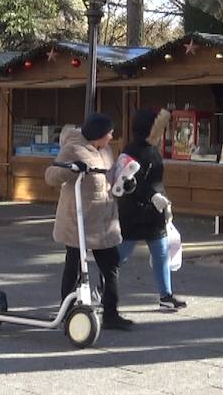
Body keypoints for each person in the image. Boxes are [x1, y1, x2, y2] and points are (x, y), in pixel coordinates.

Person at [46, 112, 134, 331]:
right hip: (79, 220)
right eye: (109, 133)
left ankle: (111, 314)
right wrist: (70, 169)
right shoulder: (74, 149)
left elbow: (111, 177)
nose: (112, 137)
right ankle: (67, 311)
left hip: (104, 219)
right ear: (98, 134)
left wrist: (126, 183)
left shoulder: (106, 151)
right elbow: (50, 175)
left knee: (111, 265)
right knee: (74, 265)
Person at [116, 107, 188, 312]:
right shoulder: (130, 151)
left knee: (161, 253)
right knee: (122, 254)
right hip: (134, 210)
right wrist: (153, 196)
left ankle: (166, 295)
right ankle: (101, 290)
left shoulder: (152, 148)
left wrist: (164, 200)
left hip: (155, 210)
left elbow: (155, 179)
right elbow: (129, 181)